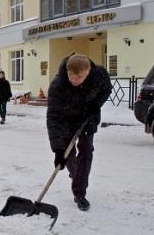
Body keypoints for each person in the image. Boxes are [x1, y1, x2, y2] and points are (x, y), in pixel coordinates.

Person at [47, 54, 112, 211]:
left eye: (80, 77)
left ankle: (79, 193)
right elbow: (53, 118)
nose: (75, 81)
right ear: (67, 71)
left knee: (86, 150)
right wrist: (58, 151)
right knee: (68, 153)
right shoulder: (58, 85)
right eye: (71, 76)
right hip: (66, 120)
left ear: (88, 71)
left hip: (87, 118)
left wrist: (96, 104)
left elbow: (107, 89)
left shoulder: (99, 74)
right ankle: (77, 174)